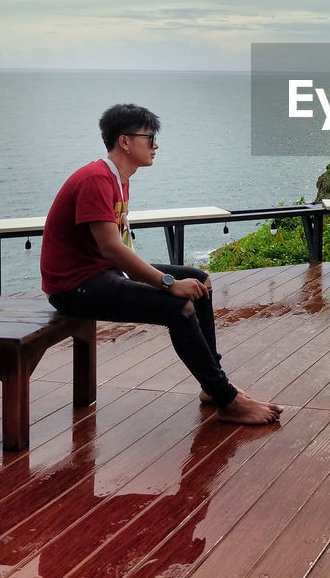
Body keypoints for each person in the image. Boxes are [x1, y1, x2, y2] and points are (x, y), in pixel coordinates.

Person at [41, 103, 282, 425]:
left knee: (199, 281)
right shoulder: (95, 179)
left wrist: (170, 280)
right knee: (177, 306)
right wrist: (167, 283)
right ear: (125, 141)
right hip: (74, 287)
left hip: (100, 274)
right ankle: (227, 399)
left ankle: (213, 385)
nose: (156, 146)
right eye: (150, 138)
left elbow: (113, 251)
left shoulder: (116, 178)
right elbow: (111, 248)